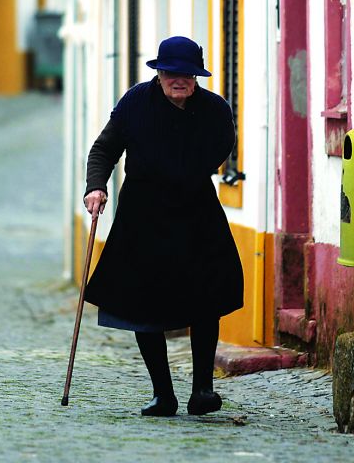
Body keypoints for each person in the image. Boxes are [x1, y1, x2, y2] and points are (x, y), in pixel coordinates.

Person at [83, 36, 244, 417]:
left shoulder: (215, 109)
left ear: (196, 76)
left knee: (206, 297)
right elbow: (104, 149)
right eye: (171, 72)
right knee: (143, 302)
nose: (179, 80)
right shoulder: (135, 103)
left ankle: (202, 390)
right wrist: (96, 186)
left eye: (187, 73)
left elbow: (221, 147)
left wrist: (184, 171)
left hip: (196, 212)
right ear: (159, 73)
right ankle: (163, 394)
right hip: (143, 214)